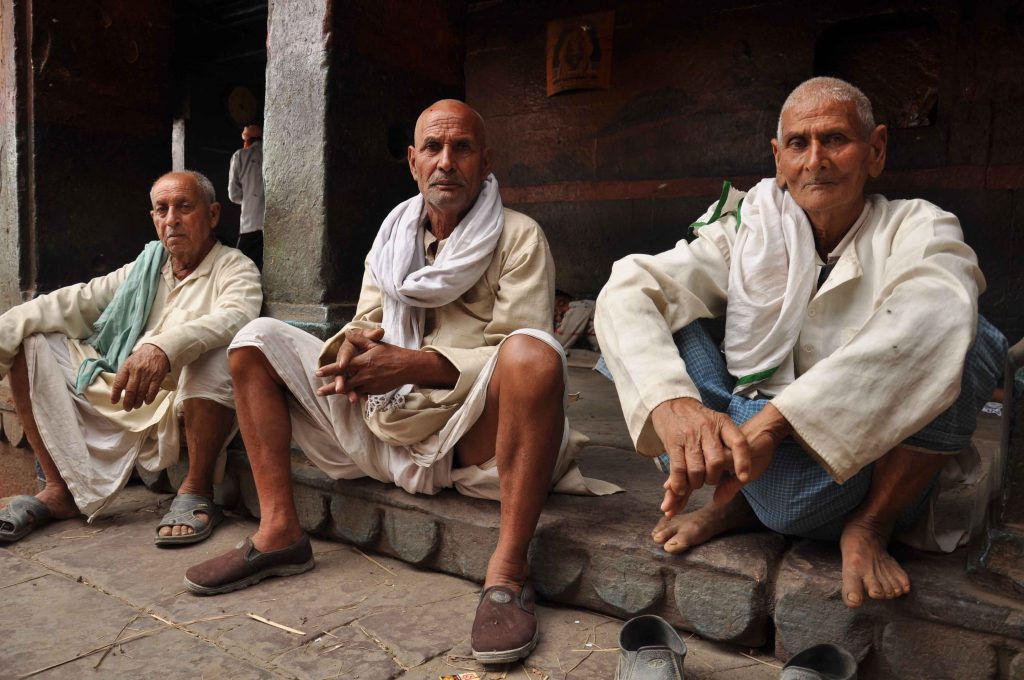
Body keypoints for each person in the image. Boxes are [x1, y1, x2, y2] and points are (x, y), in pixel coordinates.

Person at [185, 100, 614, 664]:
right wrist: (353, 351)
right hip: (384, 422)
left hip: (471, 439)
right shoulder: (392, 236)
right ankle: (279, 532)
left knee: (535, 356)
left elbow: (515, 355)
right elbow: (367, 322)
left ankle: (509, 571)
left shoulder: (520, 237)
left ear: (486, 162)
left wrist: (413, 364)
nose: (446, 162)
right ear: (413, 162)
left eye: (462, 148)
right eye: (432, 148)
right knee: (253, 342)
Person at [595, 77, 1006, 610]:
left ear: (876, 149)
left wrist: (777, 423)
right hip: (743, 461)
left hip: (855, 476)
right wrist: (676, 409)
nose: (815, 161)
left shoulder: (917, 227)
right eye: (798, 143)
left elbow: (937, 310)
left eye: (835, 139)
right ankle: (737, 503)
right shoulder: (749, 230)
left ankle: (871, 526)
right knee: (648, 314)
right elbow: (629, 287)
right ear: (778, 159)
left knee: (969, 335)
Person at [0, 171, 262, 546]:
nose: (172, 219)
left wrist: (162, 348)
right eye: (162, 209)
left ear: (213, 214)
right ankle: (59, 488)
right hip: (122, 390)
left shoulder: (234, 267)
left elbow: (236, 316)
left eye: (184, 207)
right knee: (30, 340)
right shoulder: (146, 267)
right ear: (153, 219)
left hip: (177, 402)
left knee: (220, 350)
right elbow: (78, 300)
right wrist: (5, 331)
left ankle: (197, 488)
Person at [228, 124, 265, 270]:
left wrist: (249, 199)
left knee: (243, 269)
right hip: (275, 225)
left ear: (247, 141)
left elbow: (233, 194)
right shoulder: (274, 154)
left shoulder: (240, 155)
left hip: (251, 225)